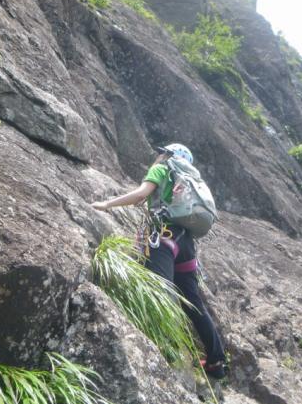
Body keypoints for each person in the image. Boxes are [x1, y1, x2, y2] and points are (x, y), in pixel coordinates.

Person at [91, 143, 227, 378]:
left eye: (161, 153)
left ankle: (165, 348)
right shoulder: (189, 180)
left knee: (159, 292)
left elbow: (141, 194)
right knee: (194, 304)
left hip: (162, 237)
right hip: (186, 244)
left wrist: (107, 204)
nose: (158, 155)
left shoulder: (162, 169)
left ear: (167, 155)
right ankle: (216, 362)